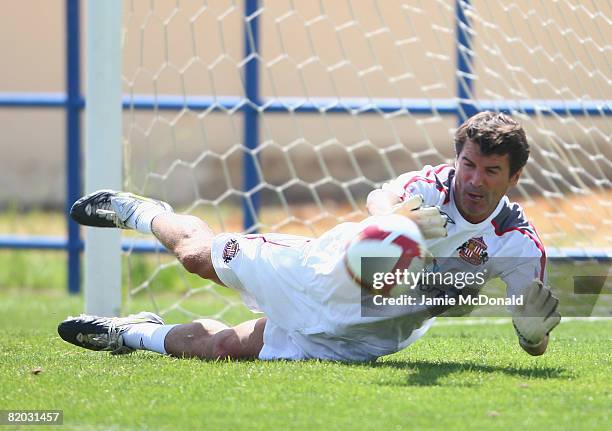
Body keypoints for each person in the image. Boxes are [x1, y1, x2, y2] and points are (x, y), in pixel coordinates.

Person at [58, 111, 560, 361]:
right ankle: (143, 213)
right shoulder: (430, 187)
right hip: (319, 274)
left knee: (222, 349)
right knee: (196, 257)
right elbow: (379, 203)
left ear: (514, 177)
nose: (473, 180)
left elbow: (531, 333)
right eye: (467, 164)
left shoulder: (517, 244)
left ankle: (129, 333)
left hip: (365, 337)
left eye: (490, 171)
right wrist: (397, 223)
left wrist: (532, 332)